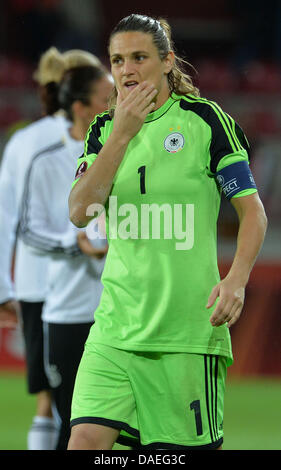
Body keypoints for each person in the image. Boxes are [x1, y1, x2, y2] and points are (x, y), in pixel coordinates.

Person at [67, 14, 268, 451]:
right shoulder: (103, 131)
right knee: (83, 441)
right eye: (118, 60)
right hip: (115, 330)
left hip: (186, 332)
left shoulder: (205, 122)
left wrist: (236, 280)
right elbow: (80, 212)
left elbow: (253, 213)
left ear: (167, 61)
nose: (127, 70)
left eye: (139, 57)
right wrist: (121, 134)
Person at [0, 46, 102, 450]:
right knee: (72, 403)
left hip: (32, 282)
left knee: (51, 399)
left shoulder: (24, 139)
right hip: (76, 287)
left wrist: (4, 289)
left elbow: (6, 216)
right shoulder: (79, 143)